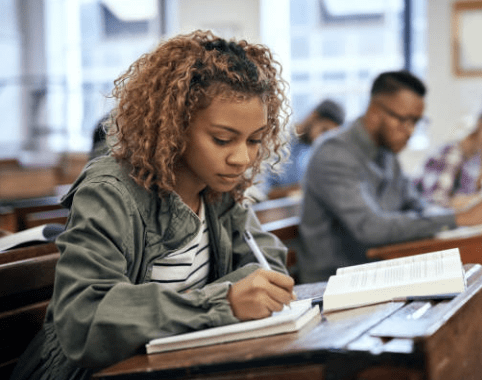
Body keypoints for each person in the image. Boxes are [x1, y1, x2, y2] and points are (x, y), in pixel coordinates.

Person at [10, 30, 295, 380]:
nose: (242, 158)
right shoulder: (110, 191)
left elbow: (270, 267)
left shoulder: (218, 190)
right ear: (174, 125)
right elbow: (86, 321)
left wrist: (227, 299)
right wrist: (222, 302)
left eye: (254, 140)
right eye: (222, 139)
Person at [297, 70, 482, 284]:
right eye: (405, 120)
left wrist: (455, 216)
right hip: (332, 285)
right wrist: (460, 218)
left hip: (380, 273)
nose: (410, 131)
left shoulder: (386, 154)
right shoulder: (333, 154)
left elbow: (418, 205)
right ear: (375, 112)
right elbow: (371, 229)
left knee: (474, 277)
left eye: (416, 122)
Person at [414, 86, 482, 209]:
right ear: (481, 124)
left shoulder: (476, 156)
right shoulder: (450, 154)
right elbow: (435, 205)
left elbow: (472, 192)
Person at [259, 99, 345, 199]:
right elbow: (261, 192)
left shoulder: (313, 150)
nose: (322, 138)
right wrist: (300, 189)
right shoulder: (275, 142)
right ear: (313, 117)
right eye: (324, 130)